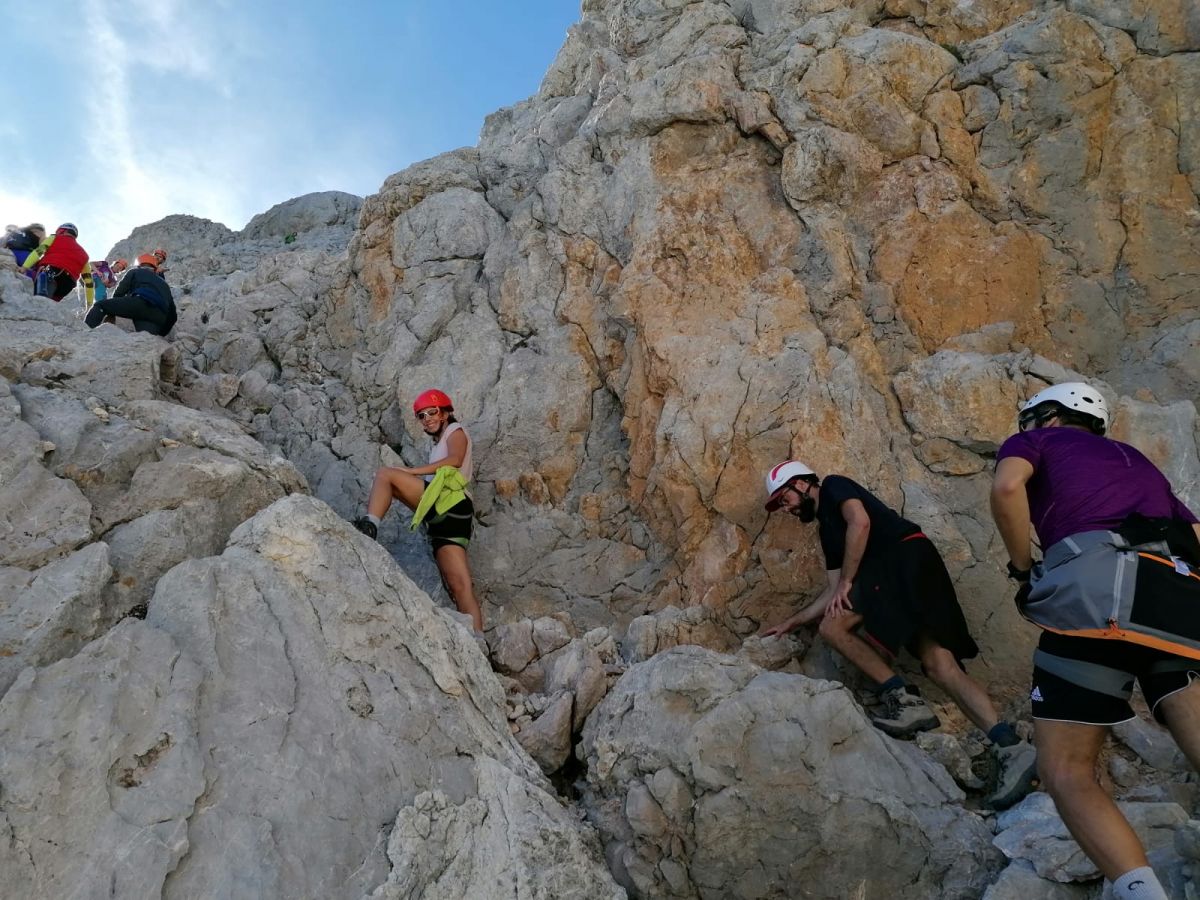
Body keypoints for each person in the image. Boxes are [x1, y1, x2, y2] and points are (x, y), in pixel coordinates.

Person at [991, 382, 1200, 900]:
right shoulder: (1134, 459)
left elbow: (1008, 489)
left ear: (1050, 417)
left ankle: (1143, 894)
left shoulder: (1037, 441)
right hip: (1176, 595)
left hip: (1094, 593)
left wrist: (1022, 570)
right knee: (1186, 704)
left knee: (1065, 769)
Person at [760, 460, 1038, 809]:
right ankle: (1011, 746)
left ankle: (904, 699)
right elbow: (833, 593)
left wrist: (848, 580)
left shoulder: (833, 486)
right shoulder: (827, 533)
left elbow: (860, 523)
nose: (784, 508)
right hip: (916, 567)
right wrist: (793, 621)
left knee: (833, 626)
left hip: (900, 559)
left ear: (801, 484)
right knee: (939, 665)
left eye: (783, 498)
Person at [354, 389, 483, 632]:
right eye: (422, 416)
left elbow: (455, 459)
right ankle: (478, 641)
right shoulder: (437, 444)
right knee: (459, 586)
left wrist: (411, 472)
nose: (427, 418)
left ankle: (369, 526)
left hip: (450, 501)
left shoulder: (455, 431)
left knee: (386, 475)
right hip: (452, 518)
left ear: (445, 413)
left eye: (432, 412)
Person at [84, 253, 176, 335]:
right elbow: (173, 316)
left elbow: (119, 292)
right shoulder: (164, 284)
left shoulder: (135, 272)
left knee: (100, 305)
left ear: (139, 265)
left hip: (140, 303)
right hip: (159, 314)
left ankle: (84, 332)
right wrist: (163, 332)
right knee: (146, 336)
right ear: (155, 267)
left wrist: (112, 311)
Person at [18, 223, 93, 304]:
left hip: (49, 273)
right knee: (51, 302)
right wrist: (89, 303)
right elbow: (89, 283)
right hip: (67, 285)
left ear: (62, 231)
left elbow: (38, 252)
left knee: (40, 298)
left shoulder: (54, 238)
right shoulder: (84, 255)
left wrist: (24, 267)